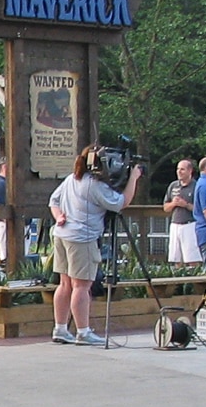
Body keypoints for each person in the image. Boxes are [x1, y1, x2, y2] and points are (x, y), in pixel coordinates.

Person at [48, 146, 144, 345]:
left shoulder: (72, 179)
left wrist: (59, 217)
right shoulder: (95, 185)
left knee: (65, 284)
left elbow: (53, 201)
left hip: (62, 234)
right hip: (82, 238)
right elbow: (121, 202)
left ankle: (60, 329)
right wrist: (134, 178)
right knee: (81, 286)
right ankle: (83, 332)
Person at [162, 158, 201, 265]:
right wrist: (173, 203)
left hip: (190, 224)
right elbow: (165, 208)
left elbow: (200, 209)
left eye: (182, 169)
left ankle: (193, 275)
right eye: (178, 169)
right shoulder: (173, 186)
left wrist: (186, 205)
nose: (179, 172)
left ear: (190, 171)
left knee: (192, 258)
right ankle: (178, 275)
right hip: (175, 224)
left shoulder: (196, 186)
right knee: (176, 258)